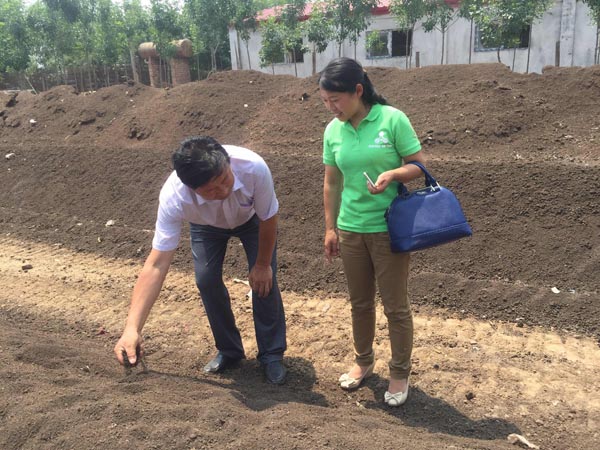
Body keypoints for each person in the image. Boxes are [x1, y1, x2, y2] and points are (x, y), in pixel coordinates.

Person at [113, 135, 287, 385]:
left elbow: (269, 218)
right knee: (206, 280)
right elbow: (156, 264)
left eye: (225, 180)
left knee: (263, 280)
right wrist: (132, 329)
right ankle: (229, 351)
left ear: (228, 164)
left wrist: (261, 265)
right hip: (206, 225)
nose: (224, 190)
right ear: (190, 188)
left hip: (252, 220)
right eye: (212, 190)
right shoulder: (174, 197)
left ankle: (272, 355)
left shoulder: (253, 168)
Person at [319, 57, 425, 406]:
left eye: (336, 99)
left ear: (358, 91)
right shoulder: (333, 130)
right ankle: (363, 361)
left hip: (388, 229)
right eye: (325, 101)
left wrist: (393, 175)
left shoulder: (392, 119)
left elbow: (418, 166)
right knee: (360, 303)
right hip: (350, 230)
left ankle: (399, 372)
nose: (331, 107)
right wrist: (330, 228)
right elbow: (332, 182)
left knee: (395, 306)